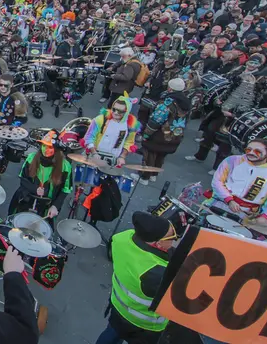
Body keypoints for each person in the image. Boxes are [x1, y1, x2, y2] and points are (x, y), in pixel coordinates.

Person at [96, 211, 176, 344]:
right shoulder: (156, 273)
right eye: (171, 236)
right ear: (158, 244)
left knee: (110, 336)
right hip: (144, 326)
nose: (175, 239)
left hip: (118, 308)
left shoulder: (122, 238)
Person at [207, 138, 267, 224]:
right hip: (218, 203)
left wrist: (266, 216)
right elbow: (217, 181)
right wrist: (229, 200)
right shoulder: (232, 160)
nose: (251, 153)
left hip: (246, 215)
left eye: (257, 151)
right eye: (248, 149)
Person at [137, 78, 191, 185]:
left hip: (160, 135)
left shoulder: (167, 102)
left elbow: (156, 121)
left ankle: (144, 177)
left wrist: (146, 134)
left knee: (150, 154)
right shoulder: (186, 102)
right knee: (161, 156)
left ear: (170, 88)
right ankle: (154, 175)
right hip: (175, 135)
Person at [8, 130, 71, 219]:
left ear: (57, 149)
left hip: (48, 204)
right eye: (44, 145)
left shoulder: (65, 167)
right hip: (26, 198)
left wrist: (55, 206)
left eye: (49, 147)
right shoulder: (31, 158)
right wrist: (35, 189)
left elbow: (65, 190)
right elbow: (23, 179)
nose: (45, 149)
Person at [81, 94, 140, 167]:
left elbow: (128, 142)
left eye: (120, 111)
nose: (116, 113)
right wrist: (94, 153)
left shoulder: (131, 126)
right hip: (94, 155)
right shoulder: (100, 119)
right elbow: (89, 137)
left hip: (113, 161)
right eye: (114, 109)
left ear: (126, 112)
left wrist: (122, 157)